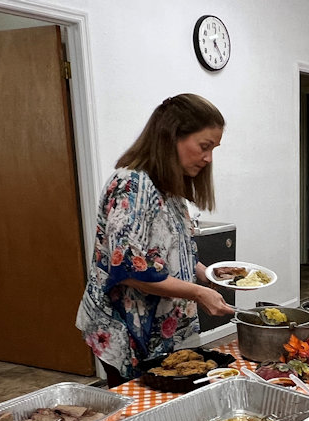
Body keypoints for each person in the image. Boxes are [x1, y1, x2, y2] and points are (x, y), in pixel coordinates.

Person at [76, 94, 234, 387]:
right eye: (204, 146)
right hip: (128, 330)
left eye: (213, 149)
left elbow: (166, 253)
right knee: (141, 408)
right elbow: (131, 271)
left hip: (163, 328)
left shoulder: (169, 188)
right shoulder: (131, 185)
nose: (209, 158)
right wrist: (198, 293)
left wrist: (206, 273)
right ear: (172, 136)